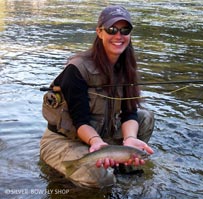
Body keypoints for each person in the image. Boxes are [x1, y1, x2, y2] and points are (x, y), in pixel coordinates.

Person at [40, 5, 155, 188]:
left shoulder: (126, 68)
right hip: (65, 141)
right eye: (112, 29)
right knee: (100, 179)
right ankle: (78, 173)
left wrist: (129, 141)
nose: (119, 35)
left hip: (100, 136)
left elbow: (129, 113)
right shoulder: (77, 69)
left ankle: (125, 168)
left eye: (125, 30)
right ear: (99, 32)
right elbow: (80, 122)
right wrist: (97, 143)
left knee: (145, 117)